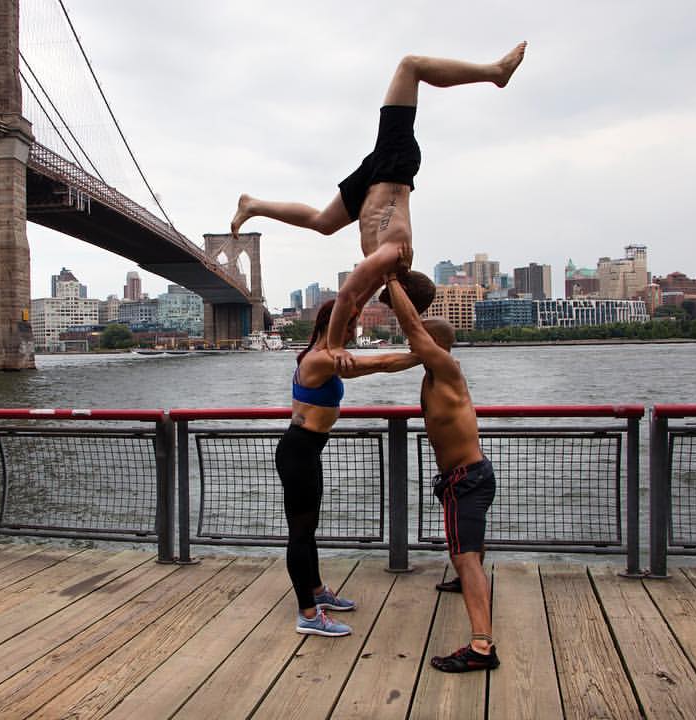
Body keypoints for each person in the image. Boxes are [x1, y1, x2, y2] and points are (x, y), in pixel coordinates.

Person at [231, 43, 527, 371]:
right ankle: (495, 73)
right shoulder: (391, 255)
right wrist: (334, 346)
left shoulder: (384, 271)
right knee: (410, 65)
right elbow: (346, 297)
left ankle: (253, 204)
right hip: (393, 168)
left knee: (323, 222)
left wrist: (344, 338)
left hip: (372, 184)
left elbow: (354, 302)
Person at [276, 299, 421, 637]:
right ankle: (309, 615)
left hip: (306, 450)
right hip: (299, 451)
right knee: (300, 532)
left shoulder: (325, 354)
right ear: (334, 325)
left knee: (307, 527)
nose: (354, 332)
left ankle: (317, 591)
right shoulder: (320, 359)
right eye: (350, 326)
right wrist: (422, 355)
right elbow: (382, 363)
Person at [383, 272, 499, 672]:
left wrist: (388, 278)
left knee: (464, 555)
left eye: (418, 342)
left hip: (465, 480)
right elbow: (405, 345)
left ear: (433, 345)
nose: (410, 345)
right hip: (471, 475)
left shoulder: (446, 368)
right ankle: (467, 582)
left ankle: (482, 647)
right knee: (470, 550)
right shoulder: (436, 373)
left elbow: (412, 328)